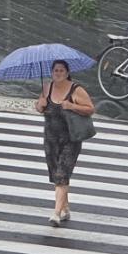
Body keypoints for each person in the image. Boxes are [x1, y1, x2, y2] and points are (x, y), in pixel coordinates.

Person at [36, 59, 94, 226]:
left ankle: (56, 213)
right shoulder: (47, 88)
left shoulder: (76, 90)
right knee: (57, 176)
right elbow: (40, 107)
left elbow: (90, 109)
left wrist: (71, 106)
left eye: (61, 70)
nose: (58, 73)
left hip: (71, 139)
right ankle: (65, 208)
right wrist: (40, 105)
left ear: (67, 73)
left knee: (62, 174)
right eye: (55, 71)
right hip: (51, 139)